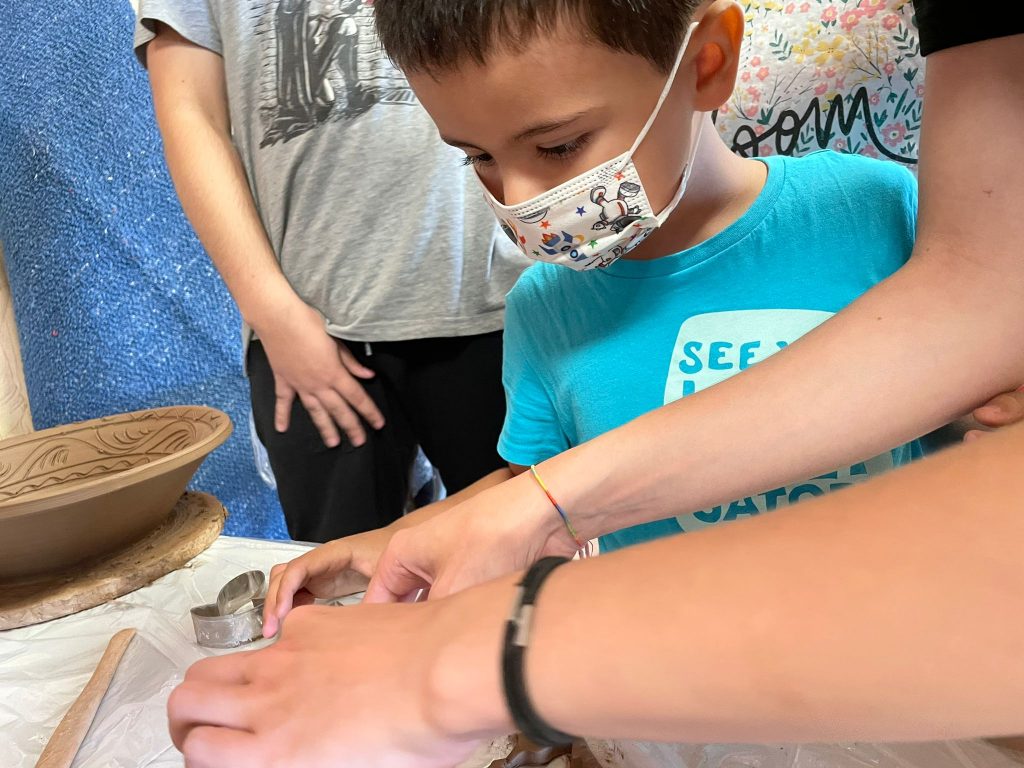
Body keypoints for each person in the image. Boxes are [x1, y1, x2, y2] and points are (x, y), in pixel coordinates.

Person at [167, 3, 1024, 766]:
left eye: (559, 147)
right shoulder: (544, 309)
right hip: (672, 703)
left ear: (706, 64)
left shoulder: (877, 212)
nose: (520, 198)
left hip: (899, 694)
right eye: (476, 158)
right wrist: (402, 538)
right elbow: (536, 486)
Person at [136, 0, 527, 543]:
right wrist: (271, 312)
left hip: (502, 299)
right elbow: (190, 117)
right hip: (307, 329)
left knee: (526, 551)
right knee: (337, 570)